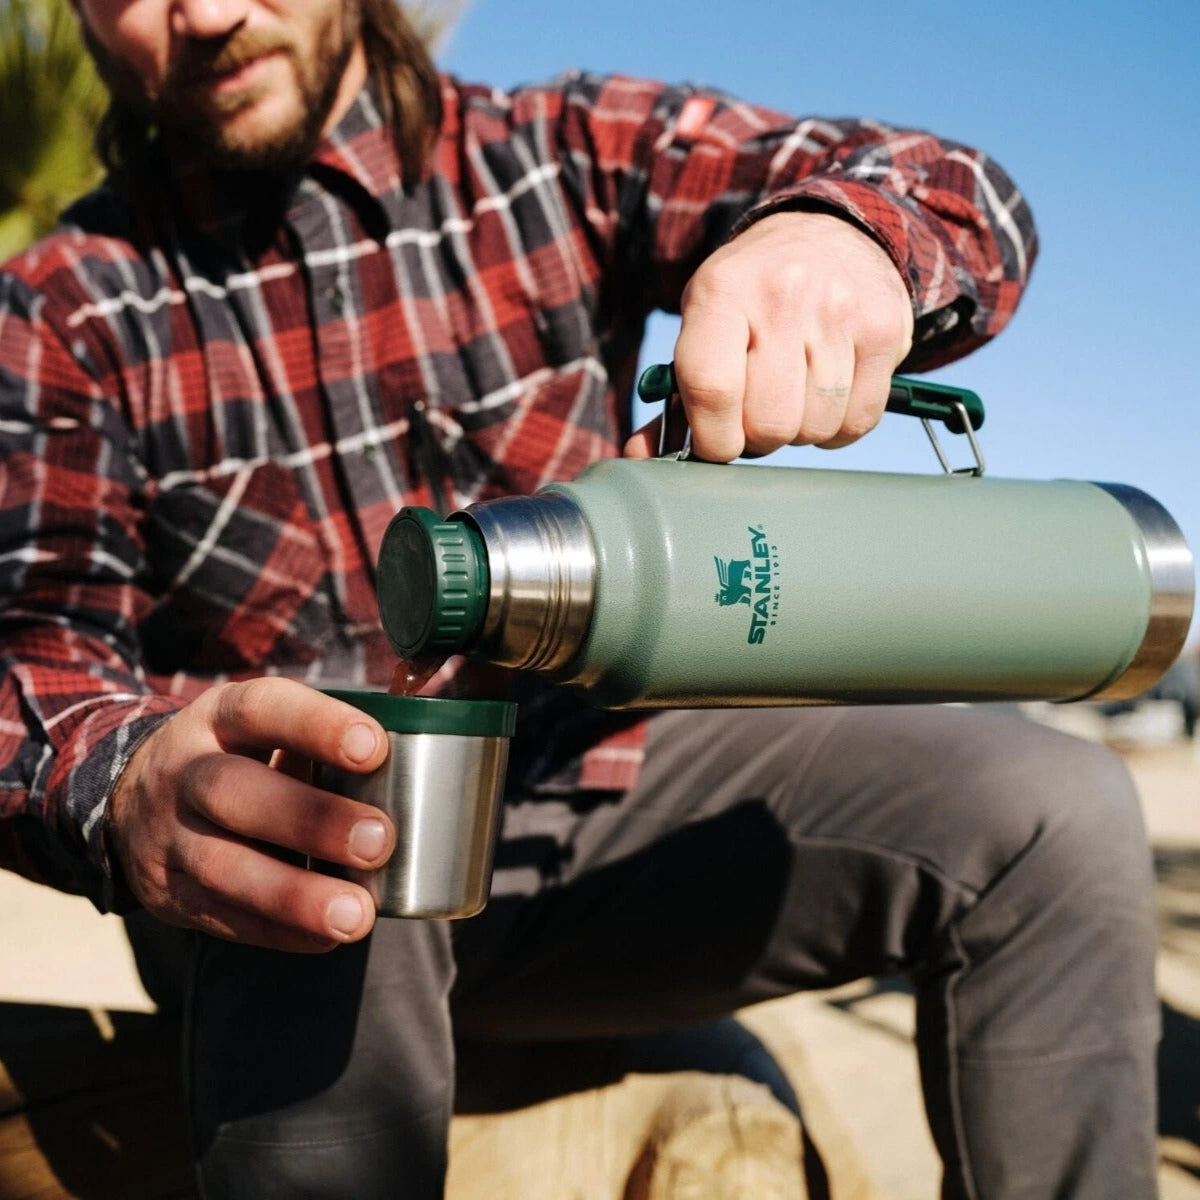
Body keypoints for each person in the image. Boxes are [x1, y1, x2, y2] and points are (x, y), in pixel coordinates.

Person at [0, 1, 1159, 1197]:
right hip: (287, 906)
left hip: (612, 831)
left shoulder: (556, 152)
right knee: (332, 844)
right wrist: (126, 780)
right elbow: (36, 660)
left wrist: (843, 239)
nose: (210, 12)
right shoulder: (61, 310)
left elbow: (964, 186)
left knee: (1052, 807)